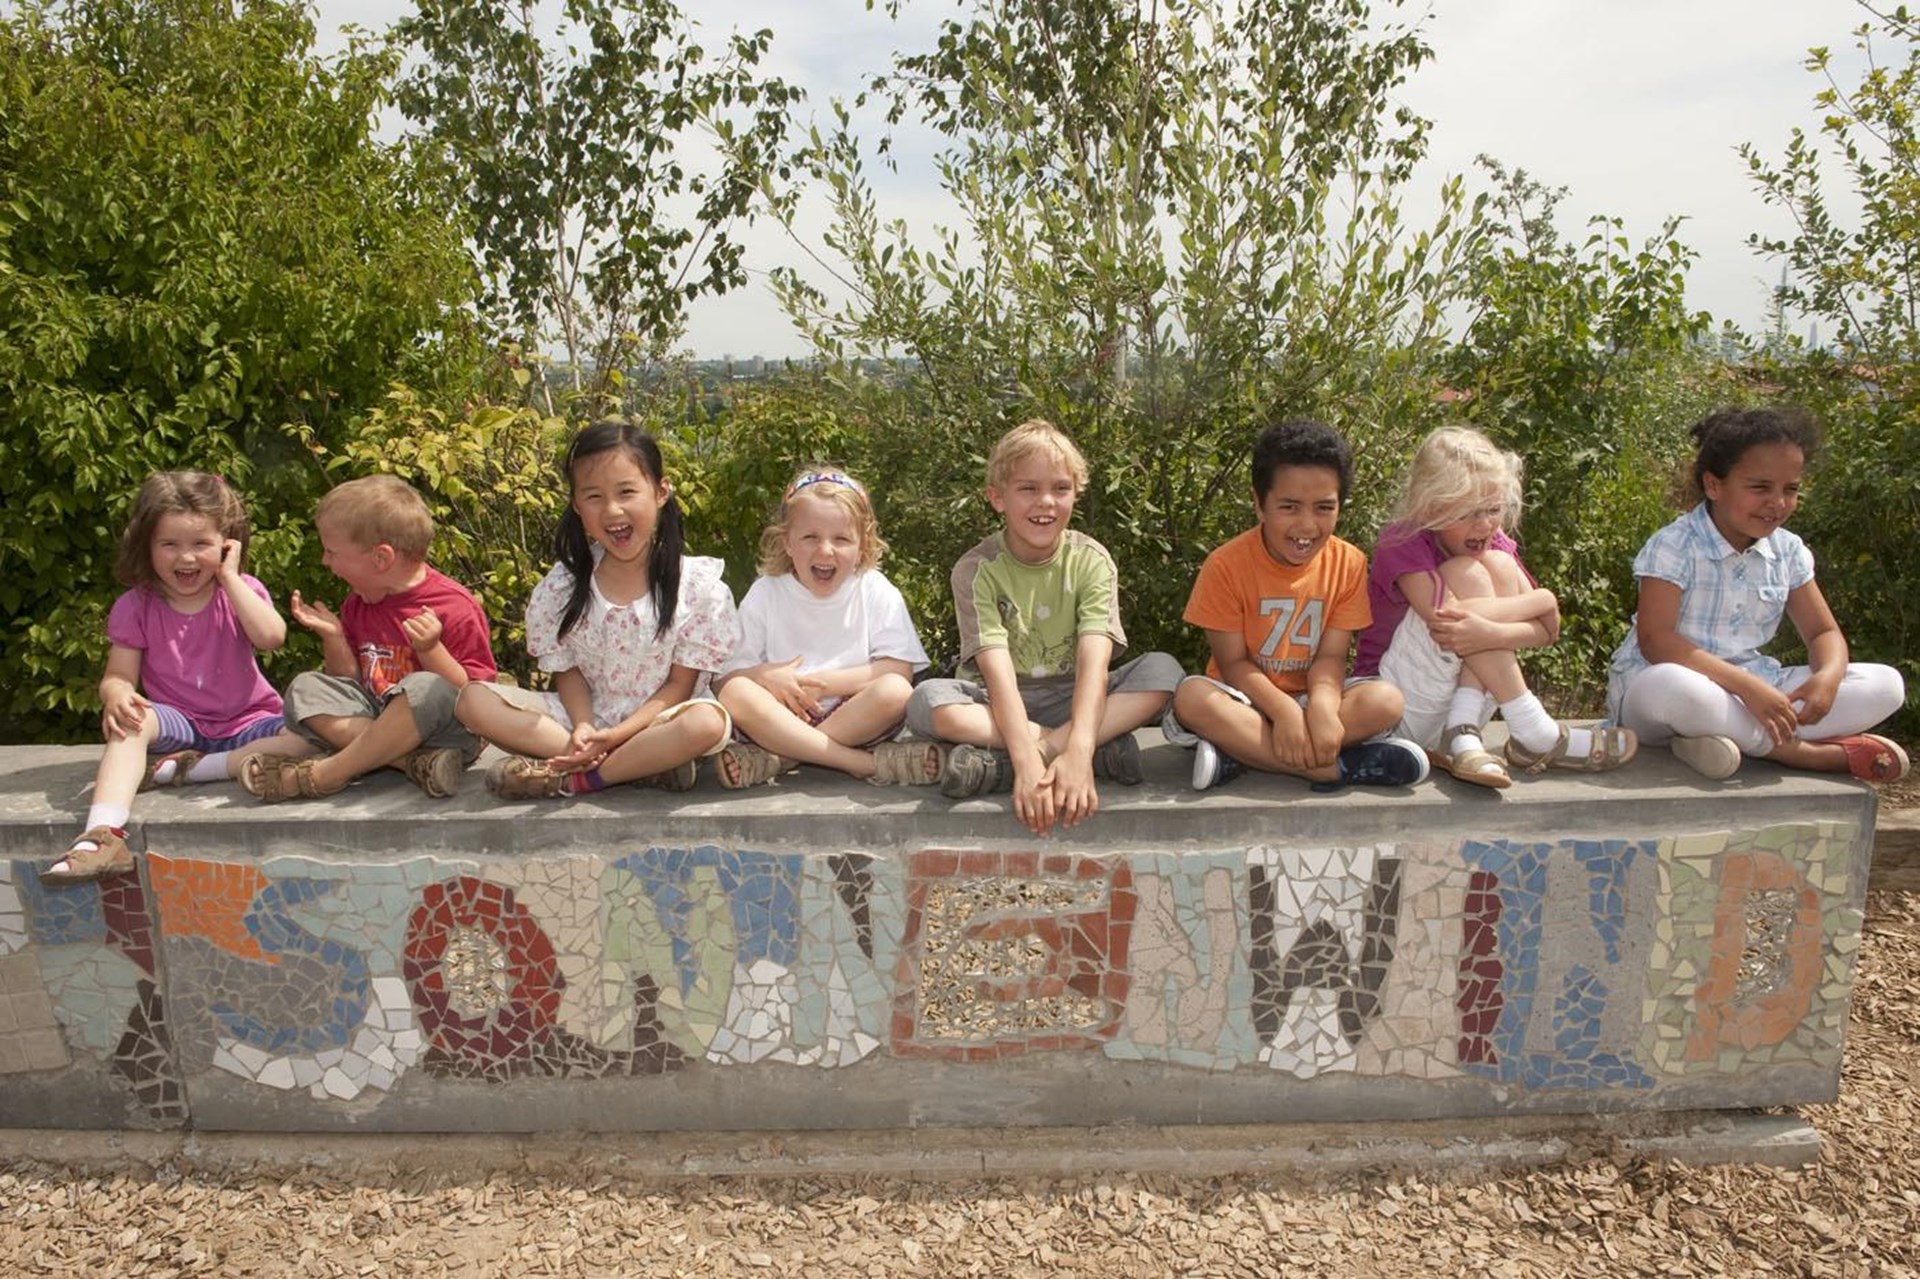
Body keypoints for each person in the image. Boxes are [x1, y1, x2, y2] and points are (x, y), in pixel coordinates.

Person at [903, 420, 1181, 835]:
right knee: (927, 701)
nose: (1046, 502)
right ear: (997, 498)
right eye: (1028, 489)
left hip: (1077, 697)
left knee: (1165, 673)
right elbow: (996, 676)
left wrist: (1076, 752)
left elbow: (1094, 664)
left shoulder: (1092, 560)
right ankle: (1079, 752)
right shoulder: (976, 569)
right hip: (997, 703)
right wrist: (1031, 760)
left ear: (1076, 493)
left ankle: (1006, 764)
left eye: (1060, 489)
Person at [1608, 405, 1908, 782]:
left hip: (1752, 692)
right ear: (1713, 485)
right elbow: (1656, 641)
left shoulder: (1788, 551)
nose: (1778, 503)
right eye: (1760, 487)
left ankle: (1716, 741)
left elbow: (1822, 633)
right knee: (1671, 687)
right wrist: (1747, 688)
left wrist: (1828, 679)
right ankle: (1799, 754)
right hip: (1663, 693)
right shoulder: (1674, 545)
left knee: (1886, 685)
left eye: (1791, 489)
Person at [41, 472, 312, 883]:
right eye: (170, 545)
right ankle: (101, 836)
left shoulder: (241, 590)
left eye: (200, 545)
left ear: (227, 545)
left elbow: (272, 637)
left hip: (249, 720)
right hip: (179, 723)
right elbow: (119, 674)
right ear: (146, 546)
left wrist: (230, 578)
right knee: (129, 722)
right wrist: (116, 694)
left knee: (309, 735)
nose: (186, 558)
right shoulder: (136, 606)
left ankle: (192, 770)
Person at [456, 422, 739, 799]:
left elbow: (680, 686)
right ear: (576, 504)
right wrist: (584, 728)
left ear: (660, 491)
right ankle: (634, 767)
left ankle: (580, 776)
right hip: (584, 718)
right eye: (593, 497)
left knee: (705, 723)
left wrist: (618, 735)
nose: (612, 510)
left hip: (662, 721)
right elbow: (568, 673)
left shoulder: (697, 587)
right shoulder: (563, 586)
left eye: (626, 492)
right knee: (472, 701)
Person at [1354, 426, 1636, 788]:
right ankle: (1533, 729)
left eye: (1493, 510)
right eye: (1468, 513)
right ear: (1430, 506)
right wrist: (1542, 600)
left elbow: (1547, 632)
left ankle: (1462, 732)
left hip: (1452, 707)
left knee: (1498, 565)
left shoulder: (1496, 542)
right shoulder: (1402, 539)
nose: (1485, 524)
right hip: (1395, 706)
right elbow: (1448, 622)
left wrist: (1499, 629)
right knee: (1466, 572)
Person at [1169, 418, 1428, 792]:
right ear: (1259, 504)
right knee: (1191, 698)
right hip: (1247, 701)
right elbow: (1233, 663)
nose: (1307, 525)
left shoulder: (1349, 563)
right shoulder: (1224, 566)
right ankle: (1331, 769)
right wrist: (1283, 711)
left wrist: (1320, 708)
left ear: (1340, 505)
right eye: (1289, 507)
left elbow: (1331, 658)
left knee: (1385, 701)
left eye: (1324, 507)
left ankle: (1240, 755)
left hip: (1312, 697)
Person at [240, 475, 496, 801]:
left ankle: (325, 774)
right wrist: (334, 637)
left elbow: (475, 698)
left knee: (423, 686)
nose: (325, 561)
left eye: (332, 551)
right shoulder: (357, 603)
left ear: (381, 558)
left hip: (447, 733)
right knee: (306, 687)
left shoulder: (453, 606)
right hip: (379, 719)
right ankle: (412, 763)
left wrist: (431, 650)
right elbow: (349, 681)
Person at [712, 466, 943, 788]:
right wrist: (763, 676)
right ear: (787, 542)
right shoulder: (767, 591)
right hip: (782, 718)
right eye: (810, 537)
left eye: (841, 539)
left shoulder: (874, 588)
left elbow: (898, 669)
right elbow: (726, 679)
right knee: (738, 693)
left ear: (863, 544)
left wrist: (823, 685)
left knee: (895, 691)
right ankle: (861, 763)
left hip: (855, 717)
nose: (825, 550)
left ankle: (783, 758)